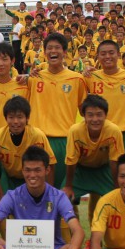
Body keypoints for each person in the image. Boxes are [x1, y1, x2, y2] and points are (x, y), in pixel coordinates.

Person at [0, 145, 83, 249]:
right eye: (28, 170)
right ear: (22, 171)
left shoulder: (58, 197)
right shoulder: (13, 196)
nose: (32, 175)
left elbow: (78, 230)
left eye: (37, 170)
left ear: (47, 170)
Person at [27, 33, 88, 188]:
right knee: (38, 191)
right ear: (44, 52)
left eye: (57, 48)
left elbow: (85, 111)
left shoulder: (76, 79)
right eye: (49, 48)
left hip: (64, 141)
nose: (53, 51)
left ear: (65, 52)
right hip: (38, 140)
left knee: (64, 192)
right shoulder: (34, 78)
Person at [63, 95, 124, 224]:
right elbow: (71, 161)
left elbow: (115, 161)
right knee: (62, 198)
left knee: (118, 201)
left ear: (106, 115)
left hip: (103, 170)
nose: (95, 119)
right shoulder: (75, 131)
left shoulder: (114, 131)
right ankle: (72, 237)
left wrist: (117, 187)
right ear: (83, 115)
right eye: (90, 115)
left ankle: (107, 240)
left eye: (99, 114)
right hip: (81, 170)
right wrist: (68, 185)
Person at [85, 40, 125, 151]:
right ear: (98, 57)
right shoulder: (91, 77)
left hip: (124, 134)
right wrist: (84, 72)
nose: (107, 56)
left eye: (111, 53)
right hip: (100, 134)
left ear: (118, 55)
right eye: (103, 54)